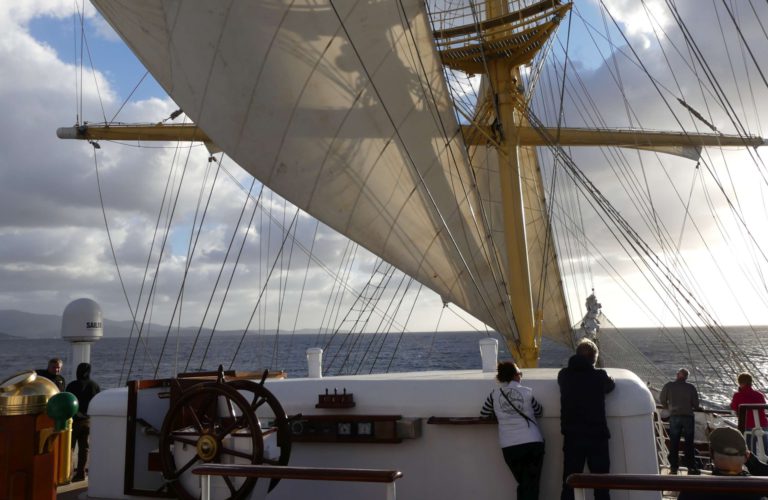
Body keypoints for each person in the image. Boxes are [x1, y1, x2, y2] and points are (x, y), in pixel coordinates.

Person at [558, 338, 615, 500]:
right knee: (602, 484)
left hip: (572, 437)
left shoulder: (563, 376)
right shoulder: (599, 376)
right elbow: (610, 386)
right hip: (597, 436)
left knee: (569, 482)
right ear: (594, 358)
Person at [480, 361, 545, 500]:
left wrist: (501, 415)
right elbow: (539, 411)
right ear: (515, 376)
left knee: (523, 483)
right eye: (519, 373)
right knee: (531, 485)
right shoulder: (527, 392)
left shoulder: (494, 394)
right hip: (532, 443)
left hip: (510, 447)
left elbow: (484, 413)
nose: (521, 376)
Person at [677, 426, 763, 500]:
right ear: (747, 456)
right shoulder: (758, 491)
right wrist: (751, 461)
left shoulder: (690, 491)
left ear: (711, 453)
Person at [659, 368, 701, 474]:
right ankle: (691, 467)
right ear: (686, 377)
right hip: (688, 417)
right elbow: (696, 405)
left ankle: (674, 467)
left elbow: (662, 399)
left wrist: (668, 407)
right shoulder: (691, 388)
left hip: (674, 416)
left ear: (677, 375)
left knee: (674, 442)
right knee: (689, 443)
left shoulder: (669, 386)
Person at [65, 362, 101, 482]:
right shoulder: (94, 386)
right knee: (84, 448)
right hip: (87, 421)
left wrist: (77, 413)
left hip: (73, 421)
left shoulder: (72, 385)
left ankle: (67, 474)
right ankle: (81, 473)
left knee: (69, 448)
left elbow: (68, 402)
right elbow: (97, 403)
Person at [730, 372, 768, 456]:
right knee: (766, 448)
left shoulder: (738, 395)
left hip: (747, 426)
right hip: (763, 425)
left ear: (741, 383)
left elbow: (734, 407)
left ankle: (752, 467)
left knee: (750, 451)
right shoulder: (759, 395)